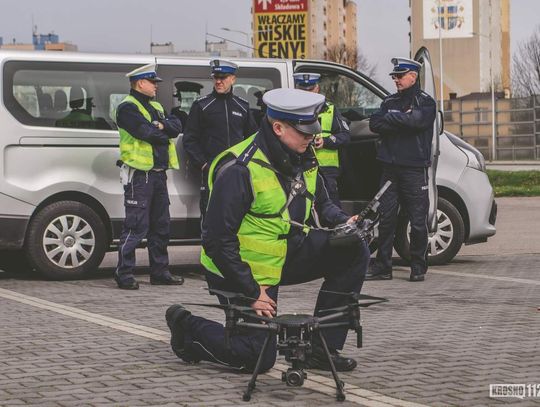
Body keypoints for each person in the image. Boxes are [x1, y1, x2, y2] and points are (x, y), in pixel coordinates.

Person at [165, 88, 370, 373]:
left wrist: (343, 222)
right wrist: (251, 291)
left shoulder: (303, 154)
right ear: (278, 128)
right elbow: (216, 242)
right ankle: (186, 326)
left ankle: (320, 349)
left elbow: (322, 202)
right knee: (257, 357)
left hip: (286, 253)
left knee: (352, 248)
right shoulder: (240, 169)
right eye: (304, 132)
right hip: (241, 269)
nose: (312, 138)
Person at [114, 63, 184, 290]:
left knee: (161, 226)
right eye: (152, 82)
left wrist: (162, 125)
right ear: (140, 83)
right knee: (135, 227)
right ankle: (124, 274)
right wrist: (162, 131)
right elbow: (146, 133)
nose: (156, 86)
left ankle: (160, 272)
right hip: (139, 175)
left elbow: (177, 125)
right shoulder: (127, 107)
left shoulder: (155, 106)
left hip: (157, 175)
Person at [367, 57, 436, 282]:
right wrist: (400, 119)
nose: (395, 80)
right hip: (390, 169)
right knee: (386, 219)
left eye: (399, 76)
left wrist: (393, 119)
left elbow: (417, 122)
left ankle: (418, 266)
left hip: (414, 170)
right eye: (394, 76)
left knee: (417, 220)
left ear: (413, 76)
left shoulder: (425, 102)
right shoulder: (389, 101)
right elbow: (375, 124)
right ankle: (383, 266)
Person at [182, 59, 257, 219]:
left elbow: (253, 138)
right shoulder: (202, 105)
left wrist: (246, 163)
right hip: (212, 171)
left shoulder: (242, 106)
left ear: (233, 79)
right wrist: (203, 164)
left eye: (223, 77)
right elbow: (190, 139)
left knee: (237, 213)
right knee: (210, 215)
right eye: (215, 77)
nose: (218, 81)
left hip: (238, 171)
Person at [293, 73, 350, 207]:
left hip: (326, 171)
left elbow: (345, 136)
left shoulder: (330, 110)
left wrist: (325, 141)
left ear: (317, 88)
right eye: (303, 90)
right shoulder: (291, 110)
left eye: (310, 89)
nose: (307, 93)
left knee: (331, 208)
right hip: (299, 167)